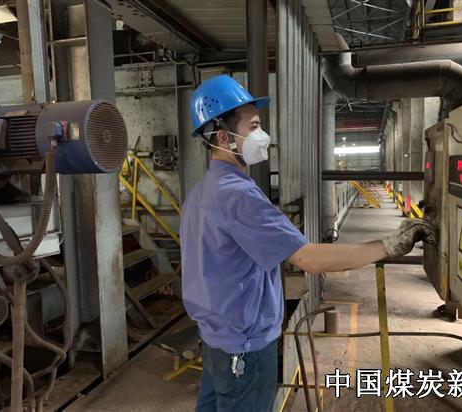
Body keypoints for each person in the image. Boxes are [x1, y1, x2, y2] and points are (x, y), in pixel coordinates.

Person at [180, 74, 435, 412]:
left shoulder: (200, 192)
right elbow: (309, 259)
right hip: (245, 346)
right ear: (224, 137)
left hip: (215, 339)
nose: (262, 136)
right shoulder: (239, 196)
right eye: (253, 127)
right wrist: (388, 245)